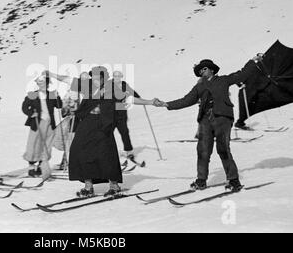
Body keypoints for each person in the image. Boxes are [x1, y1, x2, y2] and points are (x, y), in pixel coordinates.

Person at [153, 55, 263, 192]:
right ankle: (201, 181)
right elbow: (186, 100)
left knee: (223, 149)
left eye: (203, 69)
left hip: (222, 117)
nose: (201, 72)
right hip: (205, 119)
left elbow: (242, 74)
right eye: (199, 71)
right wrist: (166, 104)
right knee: (203, 150)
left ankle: (234, 180)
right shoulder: (199, 86)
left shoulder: (223, 80)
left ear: (211, 70)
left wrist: (253, 61)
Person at [47, 67, 155, 197]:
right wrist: (51, 74)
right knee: (79, 151)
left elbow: (129, 100)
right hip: (86, 123)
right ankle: (88, 187)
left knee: (106, 153)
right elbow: (67, 80)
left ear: (105, 78)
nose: (96, 80)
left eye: (99, 77)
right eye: (94, 77)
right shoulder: (87, 87)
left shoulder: (112, 90)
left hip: (104, 124)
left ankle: (114, 185)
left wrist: (150, 102)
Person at [22, 75, 62, 177]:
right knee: (33, 144)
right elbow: (25, 107)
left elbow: (59, 105)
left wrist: (58, 96)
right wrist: (31, 113)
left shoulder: (52, 95)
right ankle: (31, 167)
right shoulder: (32, 95)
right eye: (40, 83)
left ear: (48, 84)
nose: (42, 85)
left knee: (47, 145)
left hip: (50, 124)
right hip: (37, 123)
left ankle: (41, 166)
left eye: (44, 83)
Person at [111, 71, 141, 159]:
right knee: (107, 133)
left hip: (121, 113)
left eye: (119, 76)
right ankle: (105, 151)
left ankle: (129, 151)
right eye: (115, 76)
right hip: (110, 113)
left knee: (124, 132)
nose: (117, 78)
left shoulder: (124, 85)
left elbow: (132, 92)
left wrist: (139, 98)